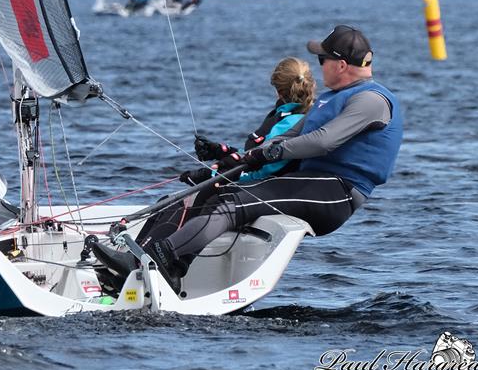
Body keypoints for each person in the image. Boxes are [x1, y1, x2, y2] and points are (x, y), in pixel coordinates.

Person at [96, 25, 402, 294]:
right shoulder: (330, 97)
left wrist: (271, 152)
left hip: (338, 192)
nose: (319, 65)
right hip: (308, 182)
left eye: (323, 59)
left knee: (235, 204)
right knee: (217, 194)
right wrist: (243, 158)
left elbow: (324, 141)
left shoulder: (371, 100)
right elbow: (289, 136)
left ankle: (160, 261)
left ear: (341, 65)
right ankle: (167, 270)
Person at [93, 57, 318, 292]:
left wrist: (216, 175)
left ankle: (164, 267)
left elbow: (265, 167)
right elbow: (253, 155)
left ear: (278, 88)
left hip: (259, 191)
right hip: (248, 181)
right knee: (166, 203)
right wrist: (220, 152)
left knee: (191, 202)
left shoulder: (291, 122)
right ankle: (132, 261)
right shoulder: (282, 116)